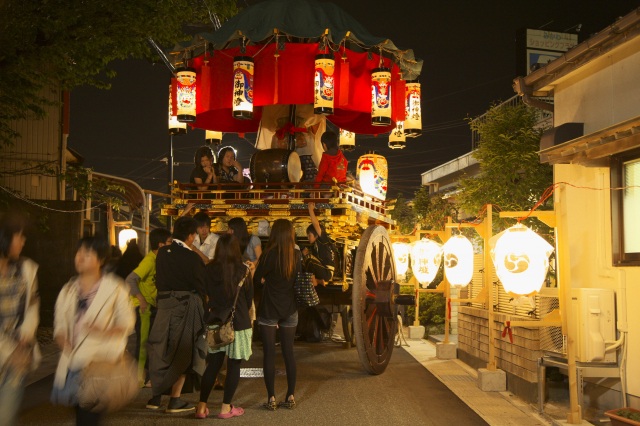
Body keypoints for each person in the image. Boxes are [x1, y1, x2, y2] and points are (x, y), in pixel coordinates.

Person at [51, 235, 135, 425]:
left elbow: (128, 321)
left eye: (87, 253)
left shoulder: (115, 288)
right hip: (73, 364)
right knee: (81, 417)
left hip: (100, 364)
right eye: (78, 252)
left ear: (100, 259)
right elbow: (59, 325)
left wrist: (104, 330)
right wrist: (63, 340)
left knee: (87, 418)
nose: (80, 257)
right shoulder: (68, 289)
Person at [146, 217, 207, 413]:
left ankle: (155, 398)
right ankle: (175, 399)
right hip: (184, 306)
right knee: (182, 351)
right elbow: (200, 284)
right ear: (190, 236)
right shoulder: (191, 257)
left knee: (159, 349)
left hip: (163, 306)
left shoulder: (162, 252)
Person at [196, 234, 253, 419]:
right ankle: (225, 408)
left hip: (217, 321)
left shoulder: (208, 269)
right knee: (234, 365)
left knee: (213, 364)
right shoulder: (243, 270)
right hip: (239, 322)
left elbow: (205, 294)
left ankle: (201, 407)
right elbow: (249, 297)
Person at [252, 219, 301, 411]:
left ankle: (271, 397)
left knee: (269, 354)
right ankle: (290, 395)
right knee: (289, 353)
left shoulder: (268, 255)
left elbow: (257, 280)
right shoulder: (296, 255)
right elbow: (297, 280)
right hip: (290, 308)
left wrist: (266, 282)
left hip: (270, 308)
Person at [0, 213, 40, 426]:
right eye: (20, 236)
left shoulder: (26, 269)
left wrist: (25, 337)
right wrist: (9, 350)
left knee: (5, 417)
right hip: (8, 351)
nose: (23, 242)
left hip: (17, 357)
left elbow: (32, 305)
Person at [125, 228, 172, 388]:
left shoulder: (158, 259)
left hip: (152, 306)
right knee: (144, 343)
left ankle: (147, 376)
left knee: (150, 342)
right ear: (160, 244)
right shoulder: (149, 260)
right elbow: (130, 279)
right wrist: (141, 300)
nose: (171, 244)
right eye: (168, 242)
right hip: (143, 308)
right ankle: (140, 378)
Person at [302, 202, 336, 286]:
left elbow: (316, 225)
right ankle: (318, 281)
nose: (308, 238)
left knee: (309, 259)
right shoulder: (315, 246)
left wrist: (310, 209)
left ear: (316, 235)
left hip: (327, 272)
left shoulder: (323, 240)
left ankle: (314, 282)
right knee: (305, 259)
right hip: (323, 270)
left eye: (309, 235)